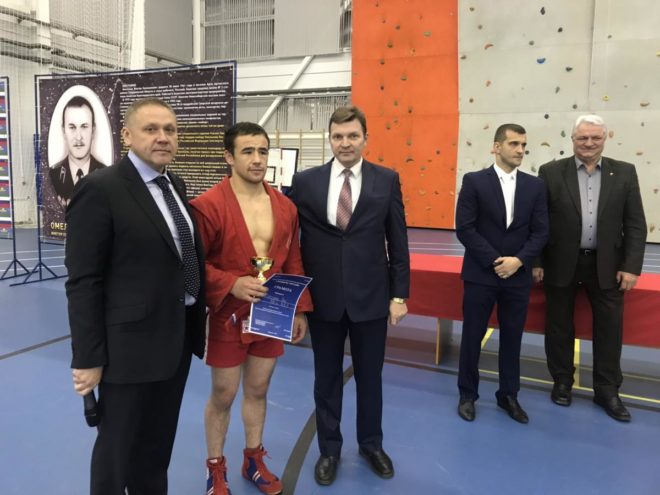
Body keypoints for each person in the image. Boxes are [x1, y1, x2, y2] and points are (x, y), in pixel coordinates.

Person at [66, 98, 207, 493]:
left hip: (174, 342)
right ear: (127, 135)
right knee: (116, 454)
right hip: (127, 351)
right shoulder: (101, 189)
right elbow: (84, 281)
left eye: (170, 130)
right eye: (151, 129)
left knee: (156, 449)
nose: (163, 137)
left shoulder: (173, 184)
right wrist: (88, 358)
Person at [288, 106, 410, 485]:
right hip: (323, 299)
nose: (345, 143)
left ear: (365, 139)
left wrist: (399, 295)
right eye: (338, 136)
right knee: (325, 379)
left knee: (370, 378)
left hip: (371, 298)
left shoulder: (386, 180)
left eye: (352, 136)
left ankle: (371, 444)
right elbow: (287, 237)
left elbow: (398, 241)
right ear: (330, 139)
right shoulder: (305, 182)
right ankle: (329, 449)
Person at [190, 122, 312, 495]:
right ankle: (215, 467)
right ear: (229, 157)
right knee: (224, 393)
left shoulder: (285, 206)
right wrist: (231, 283)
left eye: (262, 151)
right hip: (228, 314)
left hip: (271, 313)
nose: (257, 159)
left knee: (258, 388)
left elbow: (292, 259)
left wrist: (299, 309)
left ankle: (253, 459)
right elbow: (193, 265)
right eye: (247, 151)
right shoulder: (207, 206)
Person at [534, 114, 647, 422]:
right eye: (582, 137)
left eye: (595, 138)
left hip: (608, 265)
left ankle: (607, 390)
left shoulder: (624, 173)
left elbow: (635, 224)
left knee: (609, 329)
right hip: (560, 263)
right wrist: (537, 261)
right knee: (558, 326)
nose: (589, 143)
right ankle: (562, 381)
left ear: (605, 139)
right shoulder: (550, 172)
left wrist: (631, 266)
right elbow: (538, 220)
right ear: (572, 139)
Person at [455, 124, 549, 424]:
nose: (520, 150)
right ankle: (467, 394)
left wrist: (518, 261)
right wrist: (496, 261)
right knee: (472, 336)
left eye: (523, 145)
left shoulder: (535, 186)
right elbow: (465, 228)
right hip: (481, 274)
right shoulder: (474, 182)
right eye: (514, 144)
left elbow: (541, 231)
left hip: (517, 277)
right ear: (496, 147)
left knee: (512, 338)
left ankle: (508, 394)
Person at [49, 95, 106, 207]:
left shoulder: (106, 174)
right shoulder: (53, 174)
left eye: (84, 126)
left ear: (93, 130)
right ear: (63, 131)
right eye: (72, 127)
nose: (78, 137)